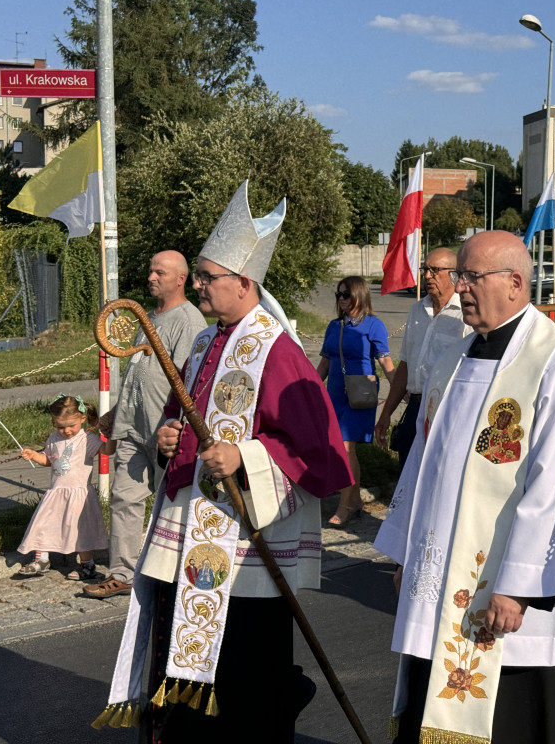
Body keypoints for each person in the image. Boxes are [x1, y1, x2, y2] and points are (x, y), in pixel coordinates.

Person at [96, 180, 353, 741]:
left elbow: (319, 453)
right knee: (185, 676)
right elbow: (182, 416)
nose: (202, 286)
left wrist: (247, 455)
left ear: (245, 282)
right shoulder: (206, 342)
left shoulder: (276, 350)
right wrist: (171, 436)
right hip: (190, 534)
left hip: (244, 553)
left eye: (209, 278)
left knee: (246, 686)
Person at [375, 231, 555, 744]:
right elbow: (425, 465)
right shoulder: (452, 358)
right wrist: (409, 551)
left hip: (514, 592)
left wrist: (518, 586)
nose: (459, 288)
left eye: (472, 277)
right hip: (446, 574)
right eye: (460, 277)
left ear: (516, 283)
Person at [84, 251, 206, 599]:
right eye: (151, 270)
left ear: (180, 278)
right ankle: (122, 573)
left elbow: (190, 380)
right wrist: (116, 414)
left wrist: (178, 429)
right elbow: (140, 370)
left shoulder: (189, 320)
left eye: (160, 272)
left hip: (167, 430)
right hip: (134, 427)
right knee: (124, 498)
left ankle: (183, 570)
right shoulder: (147, 317)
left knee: (177, 502)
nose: (151, 276)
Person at [375, 248, 469, 470]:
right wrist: (386, 413)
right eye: (425, 269)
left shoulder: (465, 314)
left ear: (454, 274)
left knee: (440, 476)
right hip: (416, 409)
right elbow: (405, 367)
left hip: (447, 412)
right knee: (407, 475)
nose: (427, 276)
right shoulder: (417, 310)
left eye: (435, 270)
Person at [317, 276, 395, 526]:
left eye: (346, 294)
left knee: (345, 447)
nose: (341, 299)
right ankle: (355, 502)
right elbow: (326, 361)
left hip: (360, 393)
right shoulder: (334, 326)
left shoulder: (374, 325)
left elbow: (385, 362)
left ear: (359, 295)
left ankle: (345, 505)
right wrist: (313, 388)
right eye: (338, 294)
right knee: (339, 448)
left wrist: (399, 390)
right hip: (336, 393)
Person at [16, 394, 116, 580]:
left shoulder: (87, 439)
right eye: (61, 427)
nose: (67, 431)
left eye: (72, 425)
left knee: (81, 530)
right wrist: (34, 455)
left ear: (82, 419)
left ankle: (87, 565)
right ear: (54, 423)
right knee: (43, 524)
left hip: (79, 495)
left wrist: (112, 436)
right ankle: (41, 559)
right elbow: (49, 460)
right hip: (56, 493)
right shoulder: (53, 439)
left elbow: (107, 451)